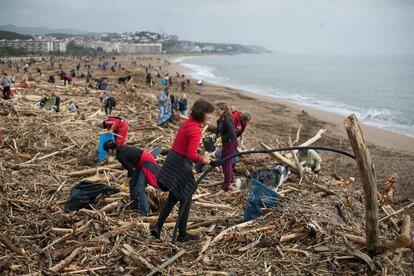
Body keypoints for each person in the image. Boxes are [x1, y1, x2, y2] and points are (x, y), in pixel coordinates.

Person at [151, 99, 216, 242]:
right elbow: (191, 155)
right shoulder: (196, 129)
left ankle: (158, 226)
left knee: (174, 197)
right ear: (201, 113)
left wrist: (197, 152)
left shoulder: (188, 123)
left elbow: (186, 147)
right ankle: (182, 235)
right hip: (181, 164)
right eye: (208, 114)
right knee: (186, 196)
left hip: (173, 159)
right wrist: (206, 160)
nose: (210, 117)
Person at [104, 141, 159, 215]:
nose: (108, 154)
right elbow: (131, 169)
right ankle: (134, 206)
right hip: (141, 163)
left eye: (107, 152)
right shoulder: (120, 149)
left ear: (110, 150)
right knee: (132, 183)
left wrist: (124, 185)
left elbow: (130, 171)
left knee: (140, 188)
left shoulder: (120, 155)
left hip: (146, 163)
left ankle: (144, 212)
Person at [216, 103, 238, 191]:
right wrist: (215, 135)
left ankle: (226, 184)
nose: (216, 111)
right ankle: (231, 180)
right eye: (216, 109)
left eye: (218, 109)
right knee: (225, 161)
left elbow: (232, 133)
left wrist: (221, 138)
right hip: (226, 143)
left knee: (226, 162)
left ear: (223, 110)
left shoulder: (227, 119)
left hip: (230, 143)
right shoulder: (221, 119)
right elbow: (218, 130)